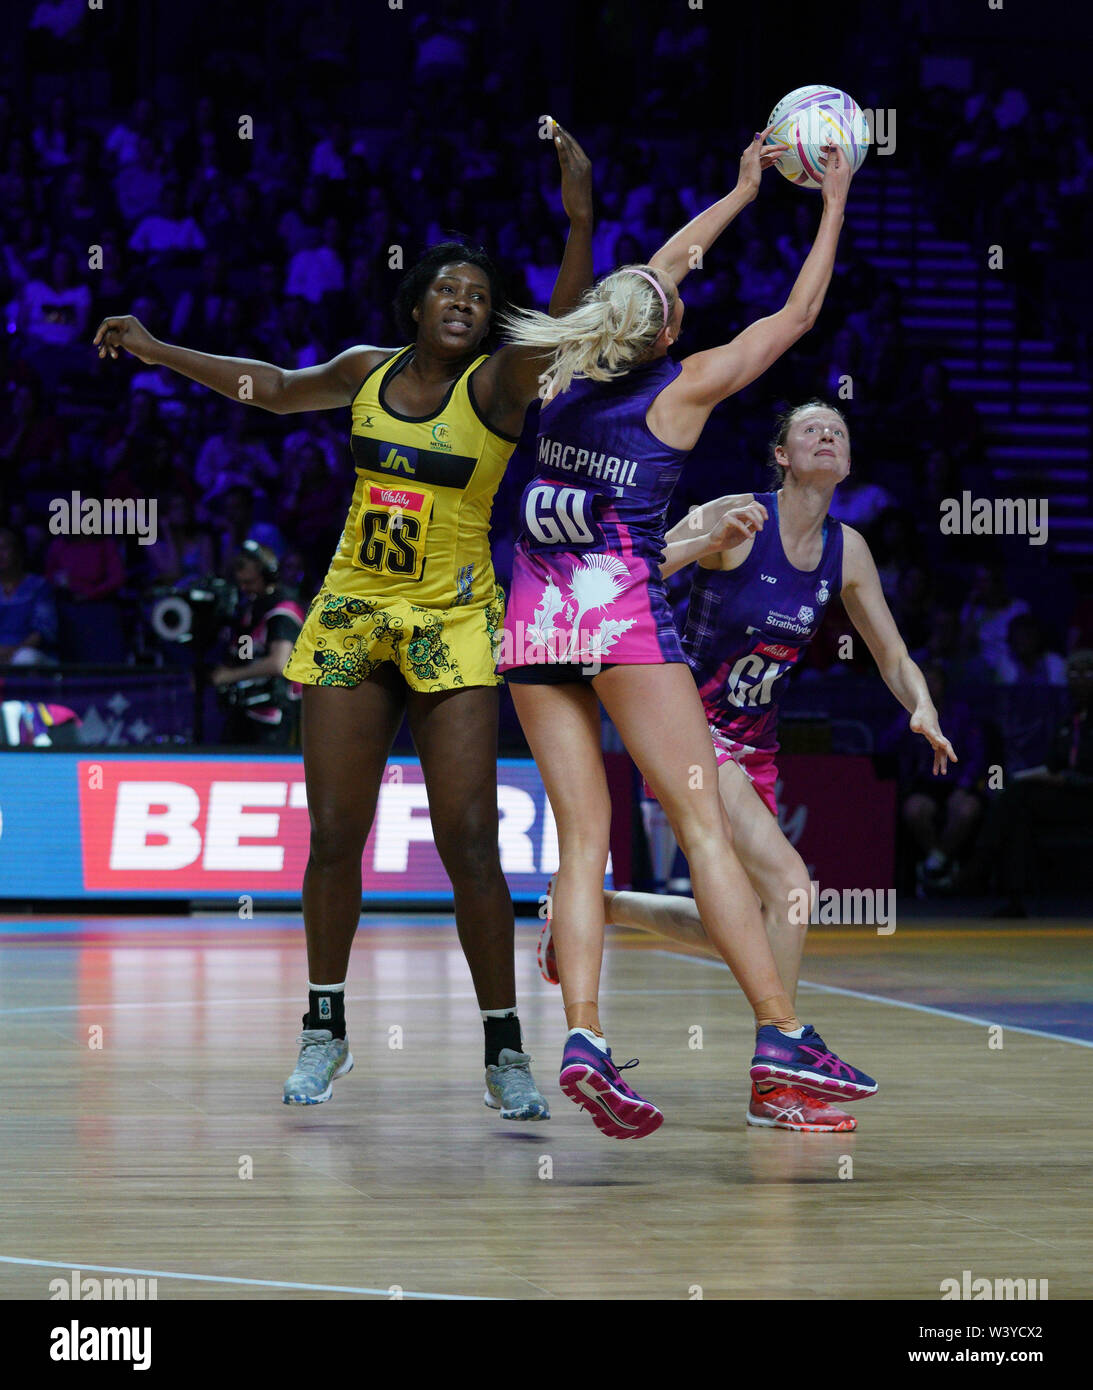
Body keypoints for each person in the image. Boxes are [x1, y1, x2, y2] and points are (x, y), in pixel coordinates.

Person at [93, 123, 594, 1119]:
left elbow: (564, 327)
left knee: (467, 839)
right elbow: (270, 391)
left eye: (480, 298)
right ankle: (325, 1031)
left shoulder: (496, 386)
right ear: (415, 306)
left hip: (451, 624)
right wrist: (154, 348)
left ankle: (504, 1047)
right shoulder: (367, 370)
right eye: (448, 290)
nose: (464, 302)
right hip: (354, 618)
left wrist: (578, 216)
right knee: (333, 834)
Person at [499, 135, 878, 1141]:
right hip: (621, 615)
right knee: (701, 825)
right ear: (661, 336)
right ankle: (782, 1030)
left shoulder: (549, 379)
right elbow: (797, 316)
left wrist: (741, 184)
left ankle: (581, 1036)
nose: (683, 296)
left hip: (533, 617)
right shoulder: (680, 389)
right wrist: (827, 197)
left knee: (582, 840)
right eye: (675, 306)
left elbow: (658, 271)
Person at [536, 400, 960, 1132]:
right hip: (685, 724)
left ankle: (597, 910)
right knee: (791, 884)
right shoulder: (739, 514)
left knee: (756, 923)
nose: (827, 436)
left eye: (839, 432)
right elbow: (627, 571)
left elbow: (890, 653)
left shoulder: (846, 550)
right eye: (811, 430)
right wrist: (704, 540)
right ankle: (779, 1069)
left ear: (847, 463)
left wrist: (917, 704)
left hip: (754, 743)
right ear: (780, 456)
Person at [209, 542, 305, 748]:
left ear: (268, 575)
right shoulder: (250, 609)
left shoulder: (283, 610)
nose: (244, 588)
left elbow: (279, 663)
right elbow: (244, 655)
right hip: (248, 710)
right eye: (241, 583)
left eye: (250, 582)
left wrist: (229, 676)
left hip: (277, 714)